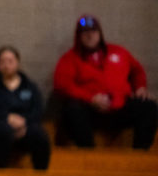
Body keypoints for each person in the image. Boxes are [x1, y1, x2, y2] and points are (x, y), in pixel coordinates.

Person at [55, 14, 157, 149]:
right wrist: (90, 98)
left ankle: (140, 154)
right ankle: (89, 154)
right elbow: (62, 85)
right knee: (72, 110)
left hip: (120, 107)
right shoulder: (70, 58)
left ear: (100, 33)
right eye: (85, 32)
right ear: (78, 36)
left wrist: (140, 87)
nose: (90, 35)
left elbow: (137, 71)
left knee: (149, 106)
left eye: (93, 31)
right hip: (90, 111)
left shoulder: (119, 52)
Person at [0, 47, 50, 169]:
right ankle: (0, 174)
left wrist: (24, 122)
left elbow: (38, 111)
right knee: (3, 131)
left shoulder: (30, 86)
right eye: (2, 61)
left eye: (10, 61)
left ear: (18, 63)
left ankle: (41, 175)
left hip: (25, 128)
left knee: (40, 135)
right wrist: (7, 118)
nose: (6, 65)